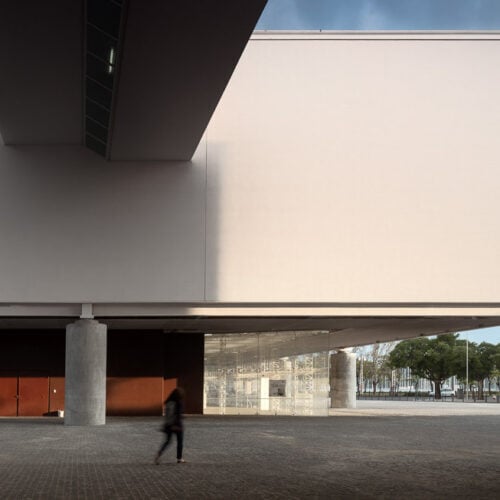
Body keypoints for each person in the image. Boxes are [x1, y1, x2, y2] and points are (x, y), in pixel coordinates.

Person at [155, 387, 186, 464]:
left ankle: (159, 454)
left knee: (167, 441)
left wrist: (167, 424)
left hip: (168, 425)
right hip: (177, 425)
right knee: (180, 442)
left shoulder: (168, 403)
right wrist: (176, 424)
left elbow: (167, 415)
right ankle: (179, 458)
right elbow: (177, 415)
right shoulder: (178, 403)